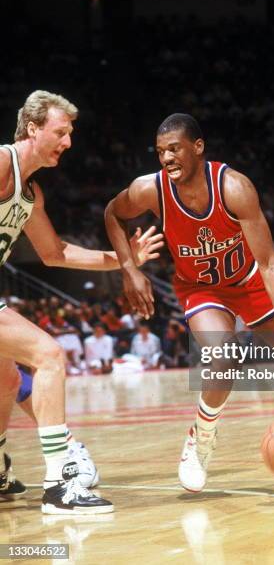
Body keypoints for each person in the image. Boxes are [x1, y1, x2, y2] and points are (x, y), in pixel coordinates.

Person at [105, 113, 274, 493]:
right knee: (223, 357)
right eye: (160, 151)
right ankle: (200, 442)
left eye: (174, 149)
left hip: (249, 281)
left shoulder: (234, 187)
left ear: (198, 148)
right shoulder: (150, 190)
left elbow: (270, 262)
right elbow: (112, 213)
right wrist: (129, 269)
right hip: (201, 288)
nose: (165, 158)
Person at [0, 90, 163, 513]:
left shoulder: (30, 193)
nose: (67, 142)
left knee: (7, 380)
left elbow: (57, 253)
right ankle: (59, 484)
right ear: (33, 128)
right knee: (49, 355)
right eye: (60, 132)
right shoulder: (1, 163)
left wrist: (126, 260)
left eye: (70, 133)